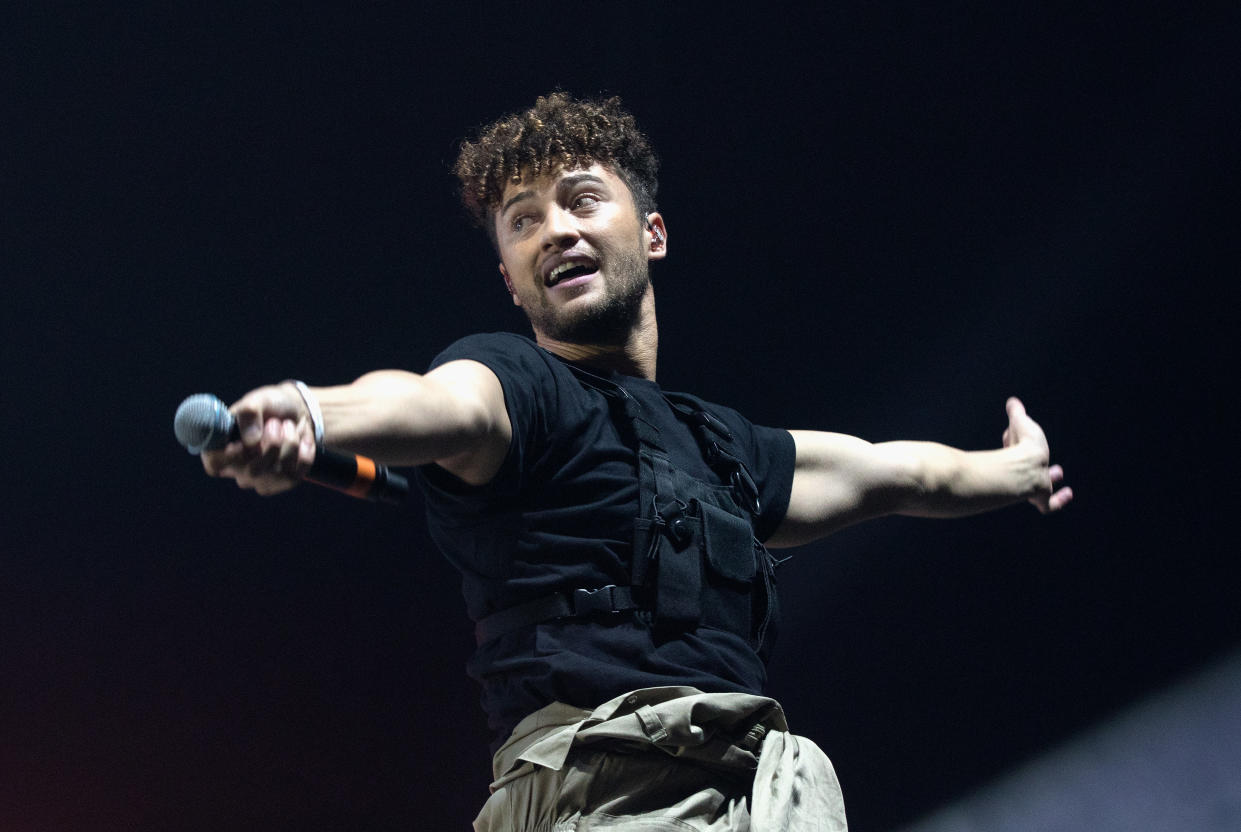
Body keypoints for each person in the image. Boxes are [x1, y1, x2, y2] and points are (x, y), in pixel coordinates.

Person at [201, 93, 1072, 831]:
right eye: (523, 220)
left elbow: (899, 474)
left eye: (581, 200)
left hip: (749, 797)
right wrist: (314, 409)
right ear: (510, 279)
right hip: (603, 793)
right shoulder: (515, 383)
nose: (554, 230)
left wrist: (1016, 472)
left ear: (651, 233)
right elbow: (434, 405)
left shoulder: (725, 448)